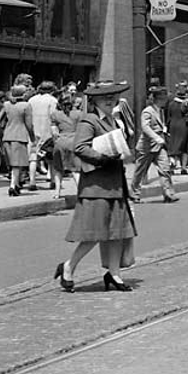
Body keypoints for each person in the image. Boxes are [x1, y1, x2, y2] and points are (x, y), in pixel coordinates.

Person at [55, 80, 137, 293]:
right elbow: (80, 147)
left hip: (115, 184)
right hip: (97, 186)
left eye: (114, 96)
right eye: (105, 97)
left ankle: (115, 273)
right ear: (95, 100)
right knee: (95, 233)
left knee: (117, 231)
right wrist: (103, 158)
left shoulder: (114, 120)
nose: (111, 100)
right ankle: (68, 267)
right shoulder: (89, 120)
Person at [131, 86, 178, 203]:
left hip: (159, 146)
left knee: (165, 169)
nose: (166, 100)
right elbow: (145, 127)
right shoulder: (148, 111)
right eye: (165, 98)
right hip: (147, 146)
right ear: (159, 99)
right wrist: (156, 137)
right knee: (140, 171)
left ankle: (168, 193)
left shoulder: (161, 111)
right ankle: (134, 194)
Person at [0, 84, 35, 197]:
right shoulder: (26, 105)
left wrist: (6, 127)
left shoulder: (6, 104)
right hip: (20, 135)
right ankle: (13, 185)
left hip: (8, 135)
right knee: (17, 164)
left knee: (12, 162)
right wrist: (32, 137)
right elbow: (29, 124)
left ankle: (16, 184)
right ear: (23, 94)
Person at [27, 81, 58, 190]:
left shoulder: (32, 100)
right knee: (51, 158)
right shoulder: (52, 100)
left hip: (33, 131)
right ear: (52, 90)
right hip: (47, 132)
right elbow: (54, 116)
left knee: (33, 157)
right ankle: (53, 181)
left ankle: (32, 182)